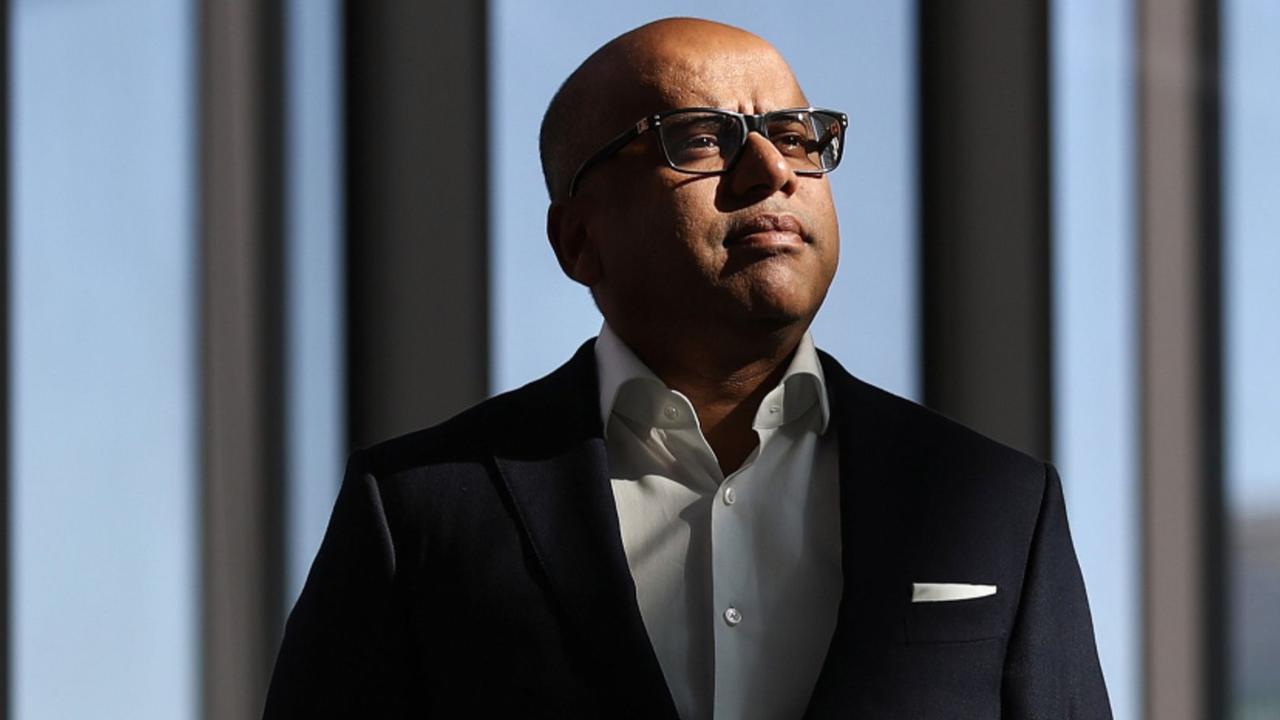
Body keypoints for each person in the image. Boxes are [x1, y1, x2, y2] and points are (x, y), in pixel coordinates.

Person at [264, 17, 1111, 719]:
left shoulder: (1000, 504)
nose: (774, 171)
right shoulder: (418, 510)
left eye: (796, 136)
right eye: (703, 139)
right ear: (578, 239)